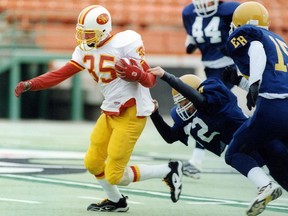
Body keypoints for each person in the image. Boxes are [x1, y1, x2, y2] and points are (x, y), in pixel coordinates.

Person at [14, 5, 183, 212]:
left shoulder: (124, 44)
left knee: (115, 174)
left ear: (103, 30)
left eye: (88, 33)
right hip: (111, 110)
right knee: (93, 162)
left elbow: (150, 81)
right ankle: (117, 201)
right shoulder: (84, 50)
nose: (83, 38)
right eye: (82, 33)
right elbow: (59, 75)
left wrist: (137, 74)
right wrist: (31, 84)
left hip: (132, 112)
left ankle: (167, 170)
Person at [147, 67, 288, 212]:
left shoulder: (211, 89)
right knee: (280, 174)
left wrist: (167, 76)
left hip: (259, 137)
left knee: (235, 155)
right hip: (248, 150)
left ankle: (266, 186)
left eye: (185, 102)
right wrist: (155, 114)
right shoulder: (188, 116)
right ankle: (266, 186)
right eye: (181, 104)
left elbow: (201, 102)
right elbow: (170, 137)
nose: (183, 107)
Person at [224, 1, 288, 216]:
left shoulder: (248, 35)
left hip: (273, 107)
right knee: (277, 155)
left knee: (233, 152)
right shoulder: (278, 39)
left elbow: (256, 49)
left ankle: (265, 187)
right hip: (283, 105)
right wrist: (244, 83)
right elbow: (275, 77)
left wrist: (252, 83)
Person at [181, 0, 240, 176]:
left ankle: (196, 161)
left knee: (207, 110)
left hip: (229, 67)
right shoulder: (189, 12)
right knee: (223, 112)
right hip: (210, 68)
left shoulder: (230, 10)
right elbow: (190, 42)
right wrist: (192, 42)